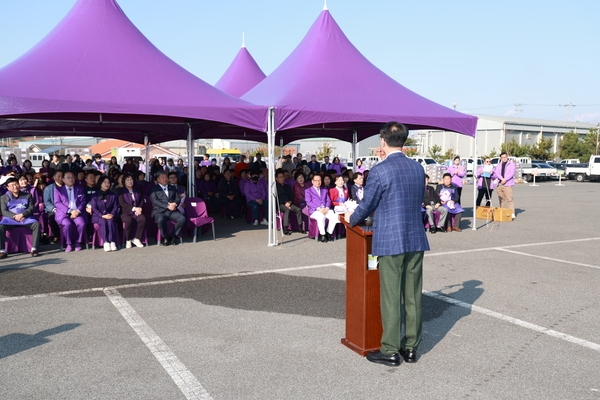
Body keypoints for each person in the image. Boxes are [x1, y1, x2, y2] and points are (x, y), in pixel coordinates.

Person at [345, 122, 429, 367]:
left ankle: (390, 349)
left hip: (391, 240)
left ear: (383, 141)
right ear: (404, 141)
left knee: (391, 296)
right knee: (413, 295)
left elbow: (367, 204)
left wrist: (351, 217)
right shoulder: (417, 168)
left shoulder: (380, 170)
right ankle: (411, 347)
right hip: (415, 238)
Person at [0, 177, 41, 258]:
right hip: (10, 219)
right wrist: (14, 217)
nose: (15, 187)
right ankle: (2, 250)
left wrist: (23, 215)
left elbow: (31, 208)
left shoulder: (28, 195)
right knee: (0, 227)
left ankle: (34, 248)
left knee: (37, 224)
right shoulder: (3, 197)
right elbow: (4, 211)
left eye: (16, 184)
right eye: (11, 185)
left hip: (25, 218)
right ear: (7, 187)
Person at [149, 171, 186, 246]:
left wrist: (175, 204)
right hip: (160, 211)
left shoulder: (172, 187)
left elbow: (177, 198)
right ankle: (165, 237)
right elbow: (154, 200)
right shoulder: (154, 189)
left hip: (172, 211)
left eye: (166, 177)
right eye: (163, 177)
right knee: (160, 220)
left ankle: (173, 236)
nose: (165, 179)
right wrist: (167, 205)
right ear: (158, 179)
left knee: (182, 219)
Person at [54, 171, 87, 251]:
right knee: (67, 224)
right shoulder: (58, 190)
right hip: (64, 213)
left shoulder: (80, 188)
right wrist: (70, 211)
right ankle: (68, 243)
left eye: (72, 177)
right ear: (63, 180)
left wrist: (78, 211)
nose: (71, 179)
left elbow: (83, 201)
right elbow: (57, 203)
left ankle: (78, 242)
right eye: (68, 177)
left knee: (82, 224)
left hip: (77, 212)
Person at [305, 174, 338, 242]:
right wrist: (319, 209)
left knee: (335, 216)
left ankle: (328, 233)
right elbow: (309, 202)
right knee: (321, 216)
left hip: (325, 209)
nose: (318, 182)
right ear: (312, 181)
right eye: (316, 180)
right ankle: (322, 235)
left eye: (319, 180)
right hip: (315, 210)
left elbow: (328, 200)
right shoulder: (308, 190)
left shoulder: (324, 190)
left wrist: (327, 208)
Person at [91, 176, 118, 252]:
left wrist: (112, 214)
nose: (107, 184)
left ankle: (112, 241)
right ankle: (106, 242)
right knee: (103, 222)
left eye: (108, 182)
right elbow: (94, 208)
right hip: (98, 216)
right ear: (100, 183)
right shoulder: (95, 195)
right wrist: (102, 215)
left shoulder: (112, 195)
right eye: (105, 182)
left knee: (110, 221)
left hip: (110, 215)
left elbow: (115, 207)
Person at [118, 173, 146, 249]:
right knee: (128, 220)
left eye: (131, 179)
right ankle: (128, 239)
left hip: (137, 211)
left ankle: (137, 238)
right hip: (126, 212)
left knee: (142, 219)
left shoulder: (137, 189)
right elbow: (122, 203)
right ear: (124, 182)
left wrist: (139, 208)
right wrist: (134, 209)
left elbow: (141, 200)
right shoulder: (121, 191)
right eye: (127, 180)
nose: (130, 181)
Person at [43, 169, 63, 244]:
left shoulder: (67, 187)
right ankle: (56, 236)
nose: (61, 178)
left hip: (66, 208)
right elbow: (47, 202)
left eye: (62, 176)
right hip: (53, 209)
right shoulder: (48, 188)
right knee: (52, 217)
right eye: (59, 176)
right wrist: (54, 209)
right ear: (54, 177)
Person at [494, 152, 516, 218]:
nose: (504, 159)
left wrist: (505, 179)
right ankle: (502, 212)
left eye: (505, 157)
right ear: (500, 158)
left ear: (507, 157)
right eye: (502, 157)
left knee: (509, 199)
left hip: (507, 184)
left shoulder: (511, 164)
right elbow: (496, 173)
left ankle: (512, 213)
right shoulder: (499, 165)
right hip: (500, 184)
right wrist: (501, 179)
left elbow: (512, 173)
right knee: (501, 199)